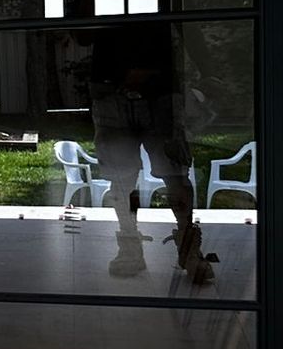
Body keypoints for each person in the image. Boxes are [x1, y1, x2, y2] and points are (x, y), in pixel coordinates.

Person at [85, 21, 212, 283]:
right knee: (124, 179)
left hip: (156, 90)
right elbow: (81, 34)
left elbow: (183, 18)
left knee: (173, 174)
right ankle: (133, 247)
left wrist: (207, 71)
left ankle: (186, 249)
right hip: (114, 90)